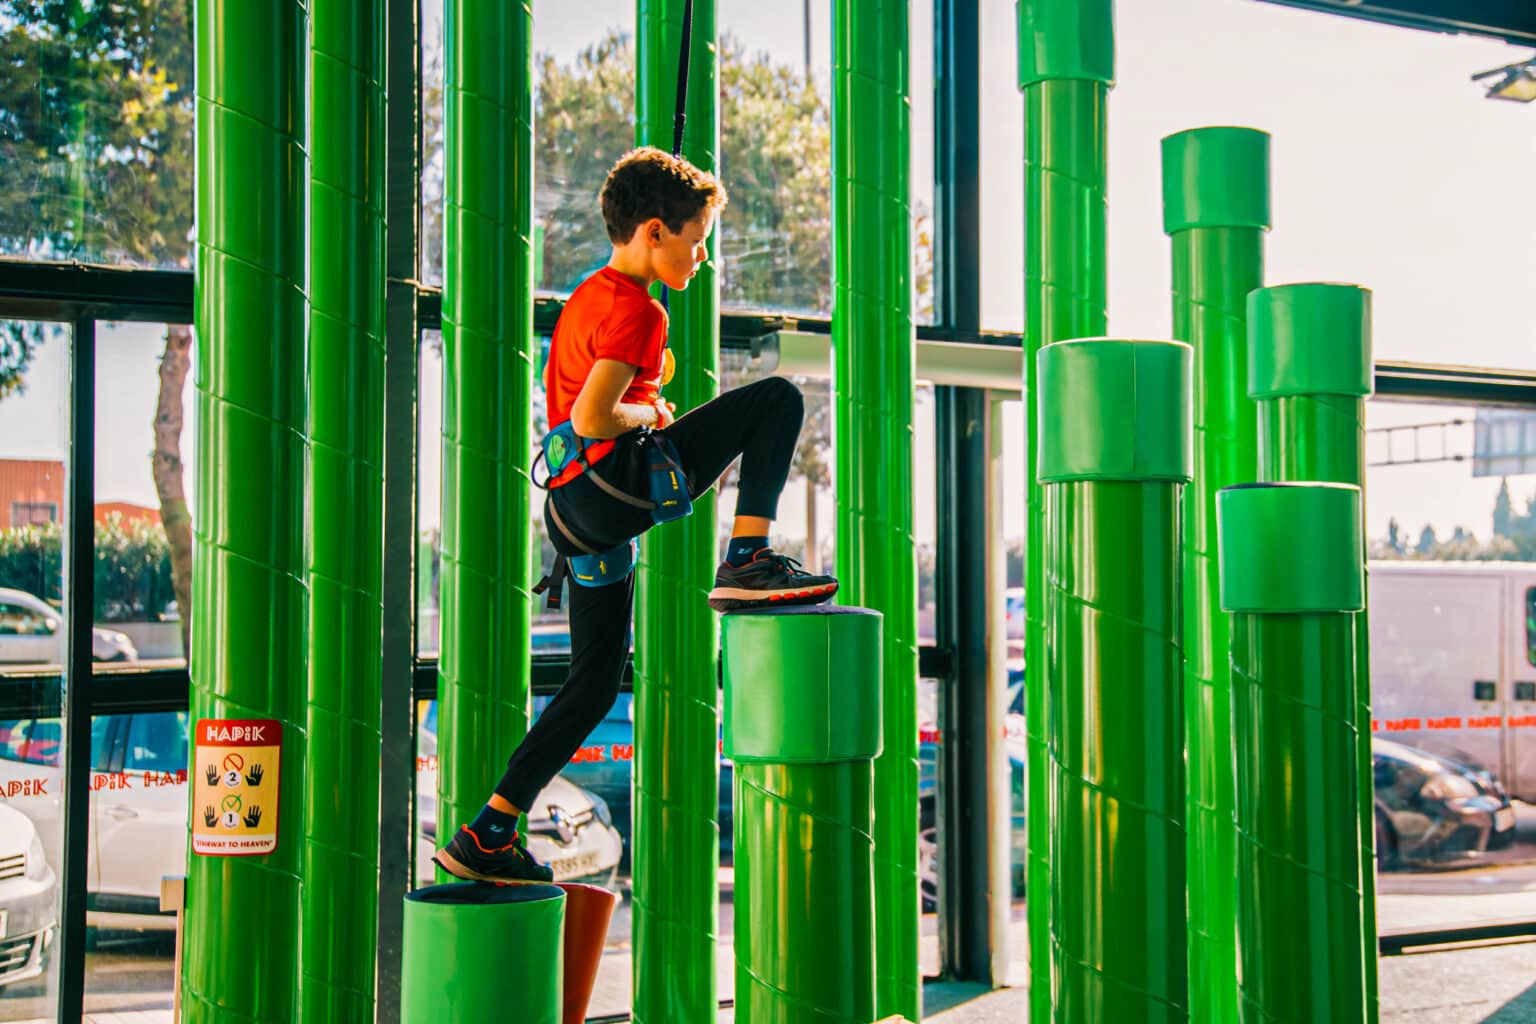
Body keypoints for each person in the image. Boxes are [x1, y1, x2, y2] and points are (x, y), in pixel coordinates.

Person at [434, 146, 838, 883]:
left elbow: (576, 413)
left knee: (593, 684)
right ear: (654, 231)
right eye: (695, 239)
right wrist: (651, 405)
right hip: (608, 486)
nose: (703, 256)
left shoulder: (590, 296)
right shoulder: (638, 311)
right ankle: (747, 556)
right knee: (776, 401)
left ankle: (487, 831)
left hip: (569, 510)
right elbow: (596, 416)